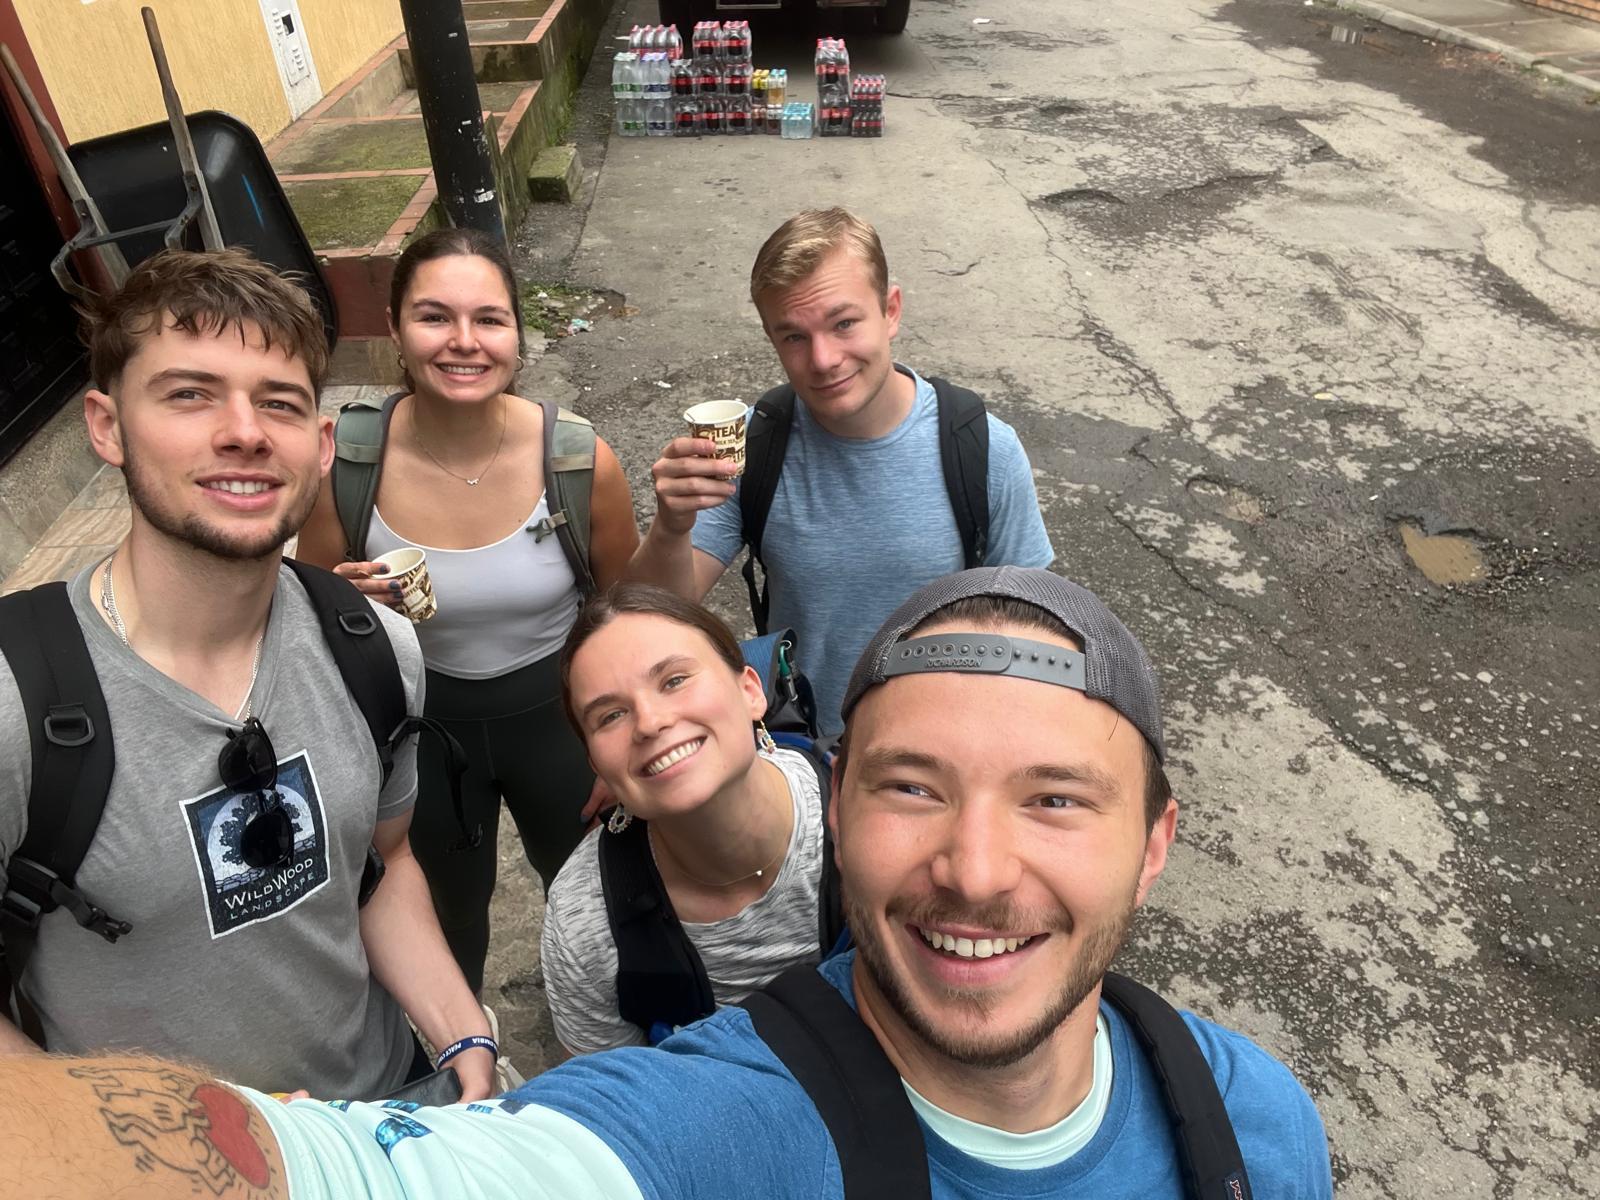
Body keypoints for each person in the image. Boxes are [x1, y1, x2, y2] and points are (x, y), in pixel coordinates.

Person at [1, 567, 1333, 1199]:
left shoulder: (1258, 1130)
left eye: (1054, 799)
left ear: (1155, 842)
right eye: (913, 789)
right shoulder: (673, 1053)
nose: (975, 871)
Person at [0, 248, 497, 1101]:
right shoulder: (17, 701)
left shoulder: (375, 650)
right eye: (189, 394)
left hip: (382, 1109)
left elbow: (379, 866)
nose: (245, 431)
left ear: (320, 444)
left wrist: (463, 1035)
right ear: (107, 427)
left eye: (280, 402)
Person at [295, 228, 640, 992]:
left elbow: (629, 618)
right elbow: (301, 621)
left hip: (559, 723)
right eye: (434, 317)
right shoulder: (347, 466)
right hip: (420, 732)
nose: (464, 341)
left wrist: (623, 745)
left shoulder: (578, 460)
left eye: (488, 318)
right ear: (394, 329)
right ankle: (465, 1044)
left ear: (517, 333)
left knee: (598, 894)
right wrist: (340, 605)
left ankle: (605, 1032)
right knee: (446, 916)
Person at [626, 207, 1055, 734]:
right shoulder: (756, 445)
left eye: (843, 323)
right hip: (802, 741)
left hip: (939, 744)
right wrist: (671, 526)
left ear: (890, 310)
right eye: (793, 336)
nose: (824, 358)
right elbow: (653, 615)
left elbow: (1035, 629)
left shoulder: (984, 449)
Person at [543, 583, 832, 1054]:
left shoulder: (865, 815)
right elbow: (619, 1090)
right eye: (610, 715)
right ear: (596, 765)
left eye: (674, 680)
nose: (649, 722)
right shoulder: (585, 924)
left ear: (750, 690)